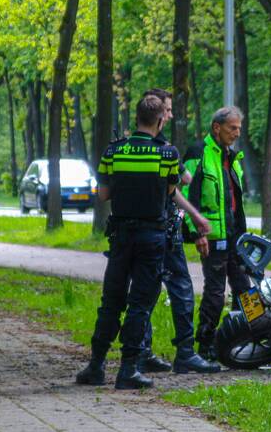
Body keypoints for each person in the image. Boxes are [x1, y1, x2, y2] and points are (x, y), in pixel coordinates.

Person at [74, 95, 178, 390]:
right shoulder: (167, 154)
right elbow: (169, 190)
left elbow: (103, 195)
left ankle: (95, 366)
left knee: (111, 301)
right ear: (159, 120)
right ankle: (129, 369)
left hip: (120, 236)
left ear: (136, 119)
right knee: (140, 304)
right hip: (152, 237)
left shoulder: (113, 152)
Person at [137, 88, 220, 375]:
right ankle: (185, 352)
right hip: (163, 228)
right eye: (168, 110)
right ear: (158, 115)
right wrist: (196, 218)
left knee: (143, 291)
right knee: (181, 288)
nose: (171, 115)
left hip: (138, 230)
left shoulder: (128, 144)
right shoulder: (162, 147)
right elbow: (182, 180)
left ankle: (141, 352)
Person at [183, 106, 251, 361]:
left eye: (239, 129)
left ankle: (243, 337)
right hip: (212, 238)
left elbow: (235, 200)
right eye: (232, 128)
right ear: (216, 128)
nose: (236, 133)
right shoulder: (198, 153)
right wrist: (196, 233)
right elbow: (189, 196)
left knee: (245, 289)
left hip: (235, 237)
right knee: (214, 293)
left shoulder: (232, 157)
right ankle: (205, 344)